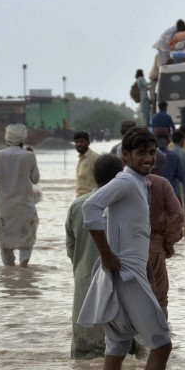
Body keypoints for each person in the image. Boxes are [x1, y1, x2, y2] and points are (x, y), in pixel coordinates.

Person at [78, 127, 173, 370]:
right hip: (126, 271)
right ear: (126, 157)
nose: (148, 158)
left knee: (118, 345)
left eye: (152, 153)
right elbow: (90, 207)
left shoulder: (140, 183)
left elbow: (135, 235)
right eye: (141, 153)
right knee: (161, 344)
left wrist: (150, 279)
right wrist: (106, 254)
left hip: (129, 269)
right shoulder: (126, 181)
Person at [65, 154, 124, 359]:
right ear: (121, 176)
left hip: (85, 281)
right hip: (120, 283)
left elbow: (71, 249)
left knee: (85, 357)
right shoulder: (125, 206)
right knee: (122, 351)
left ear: (93, 175)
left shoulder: (77, 205)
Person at [0, 124, 40, 267]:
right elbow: (35, 179)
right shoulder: (29, 156)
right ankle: (24, 268)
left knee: (5, 243)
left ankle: (9, 273)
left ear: (7, 139)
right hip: (26, 206)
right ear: (23, 139)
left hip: (5, 207)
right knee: (26, 241)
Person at [146, 172, 185, 319]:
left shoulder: (118, 182)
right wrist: (168, 243)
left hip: (124, 252)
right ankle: (161, 340)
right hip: (154, 250)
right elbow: (177, 215)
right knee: (159, 300)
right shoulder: (160, 183)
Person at [73, 130, 100, 198]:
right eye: (77, 142)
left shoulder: (95, 158)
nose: (79, 144)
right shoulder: (81, 158)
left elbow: (103, 181)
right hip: (79, 198)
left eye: (82, 141)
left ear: (88, 142)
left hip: (91, 198)